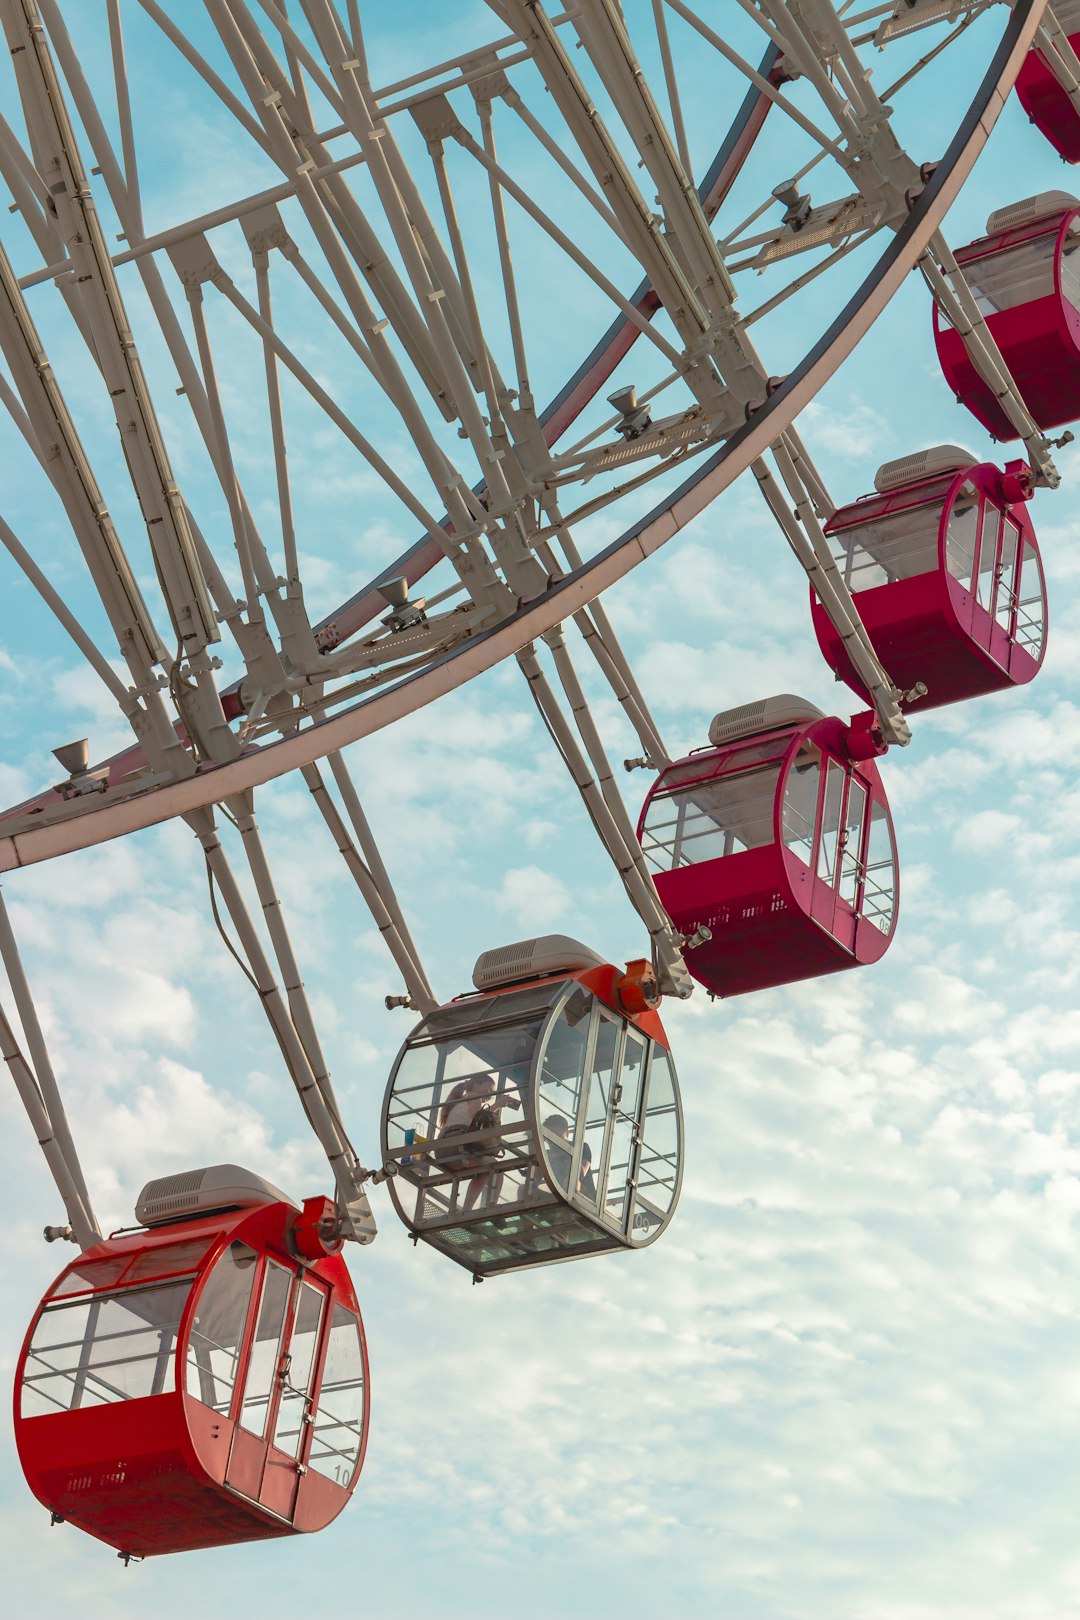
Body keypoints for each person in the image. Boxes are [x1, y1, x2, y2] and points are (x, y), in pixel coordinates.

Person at [544, 1113, 572, 1191]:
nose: (554, 1142)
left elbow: (581, 1173)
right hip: (555, 1194)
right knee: (523, 1190)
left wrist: (563, 1156)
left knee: (570, 1181)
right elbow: (535, 1180)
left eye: (558, 1137)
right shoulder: (547, 1154)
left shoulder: (580, 1148)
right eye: (549, 1138)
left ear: (567, 1133)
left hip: (579, 1194)